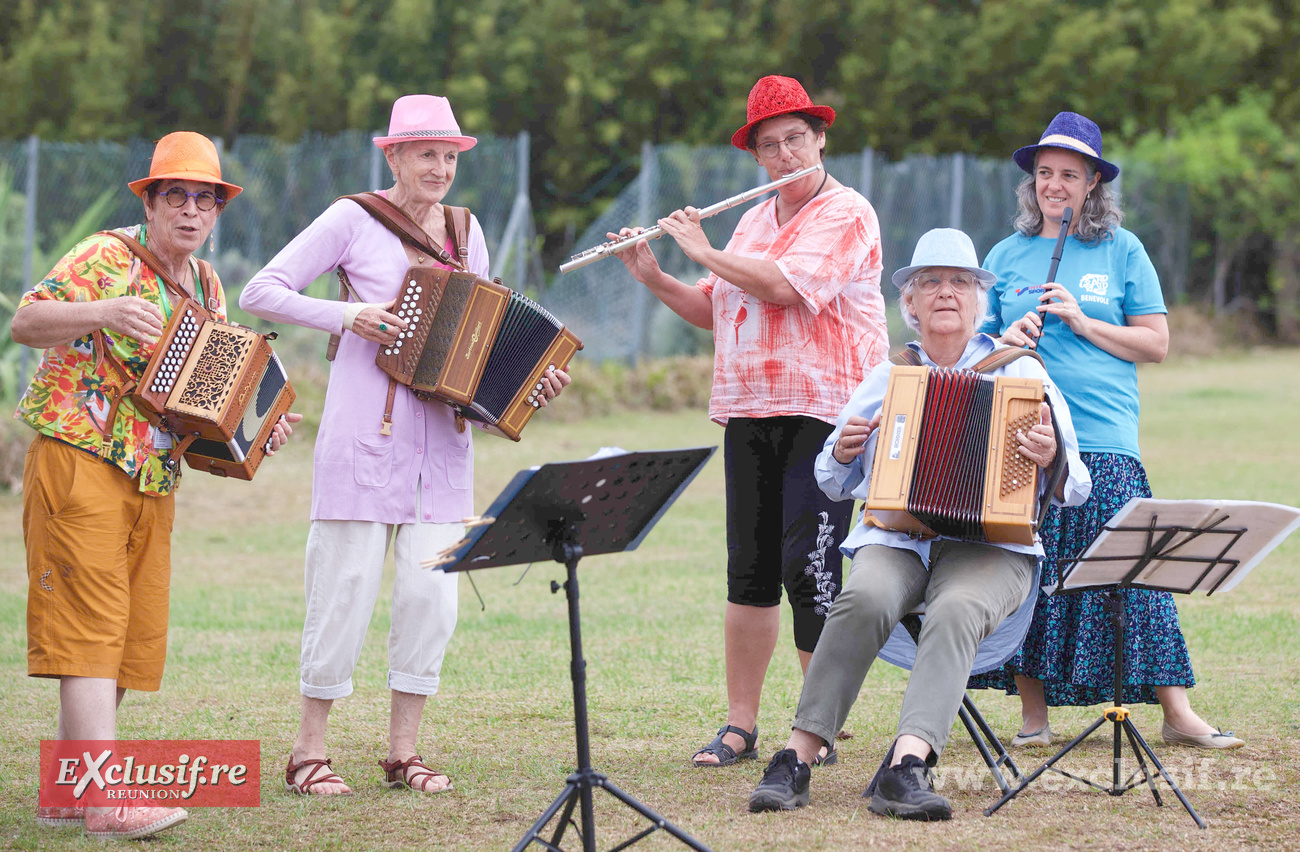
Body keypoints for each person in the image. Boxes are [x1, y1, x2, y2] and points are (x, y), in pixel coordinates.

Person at [240, 94, 569, 797]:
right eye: (427, 153)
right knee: (343, 592)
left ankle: (403, 752)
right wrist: (350, 314)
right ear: (393, 155)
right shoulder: (351, 218)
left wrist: (518, 393)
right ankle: (307, 753)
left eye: (450, 155)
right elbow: (260, 291)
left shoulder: (466, 230)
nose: (441, 167)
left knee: (432, 601)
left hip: (445, 451)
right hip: (363, 438)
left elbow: (477, 345)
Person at [747, 228, 1091, 820]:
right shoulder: (890, 377)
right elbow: (832, 478)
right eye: (930, 282)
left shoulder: (1022, 375)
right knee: (862, 596)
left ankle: (906, 766)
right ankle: (798, 755)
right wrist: (846, 452)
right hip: (900, 538)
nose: (945, 294)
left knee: (957, 607)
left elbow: (1076, 485)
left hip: (992, 547)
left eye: (959, 282)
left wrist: (1048, 456)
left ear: (979, 299)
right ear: (910, 303)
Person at [14, 131, 298, 839]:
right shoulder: (105, 256)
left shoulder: (206, 285)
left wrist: (258, 429)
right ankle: (106, 802)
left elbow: (218, 393)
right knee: (89, 630)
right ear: (152, 200)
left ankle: (66, 794)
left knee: (123, 636)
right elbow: (26, 320)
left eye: (205, 200)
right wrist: (101, 311)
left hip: (151, 475)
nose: (193, 212)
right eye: (178, 196)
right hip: (79, 460)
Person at [612, 75, 889, 767]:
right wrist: (654, 275)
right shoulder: (753, 218)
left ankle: (816, 724)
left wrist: (699, 248)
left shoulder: (847, 211)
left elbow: (786, 287)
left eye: (797, 138)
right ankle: (740, 726)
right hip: (749, 408)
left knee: (810, 563)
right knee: (751, 570)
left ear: (820, 138)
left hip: (825, 411)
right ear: (757, 157)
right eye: (771, 145)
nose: (786, 154)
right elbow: (715, 306)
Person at [966, 111, 1243, 750]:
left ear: (1092, 183)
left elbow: (1156, 344)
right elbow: (974, 355)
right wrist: (1003, 340)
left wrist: (1083, 320)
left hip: (1106, 438)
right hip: (1027, 433)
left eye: (1069, 174)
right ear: (1031, 182)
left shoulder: (1122, 248)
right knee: (1030, 571)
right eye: (1044, 173)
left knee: (1135, 572)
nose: (1054, 185)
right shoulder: (1004, 256)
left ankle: (1177, 714)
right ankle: (1033, 716)